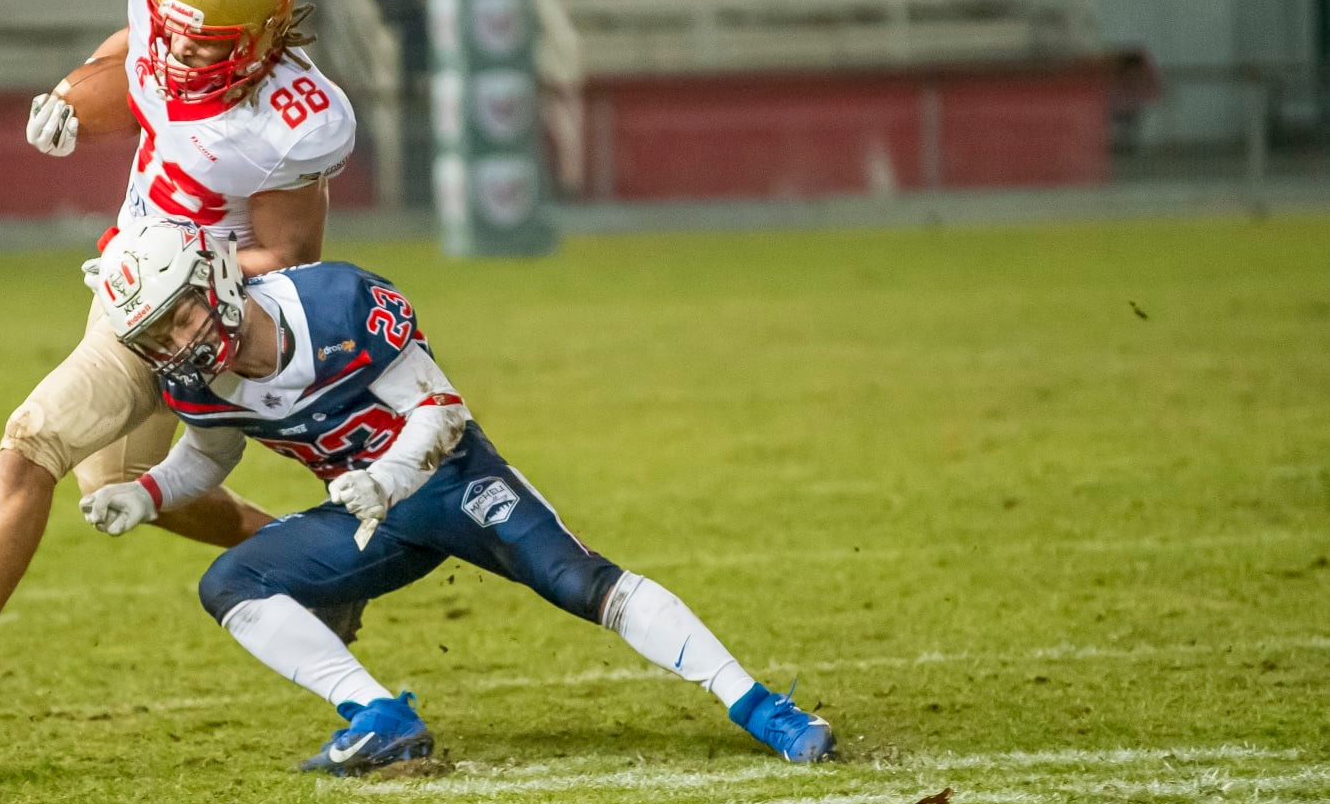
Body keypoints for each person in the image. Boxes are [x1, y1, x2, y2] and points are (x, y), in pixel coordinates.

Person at [78, 222, 838, 773]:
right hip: (370, 512)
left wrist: (385, 478)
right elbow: (211, 451)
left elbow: (438, 412)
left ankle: (759, 703)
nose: (173, 347)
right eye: (154, 337)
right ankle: (379, 717)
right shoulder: (194, 383)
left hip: (447, 478)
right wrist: (148, 492)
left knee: (582, 581)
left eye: (176, 318)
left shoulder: (339, 302)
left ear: (214, 278)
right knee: (230, 580)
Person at [0, 0, 358, 738]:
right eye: (178, 31)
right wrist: (69, 95)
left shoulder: (289, 120)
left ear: (265, 36)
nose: (180, 54)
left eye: (208, 44)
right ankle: (323, 564)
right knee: (129, 491)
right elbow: (131, 54)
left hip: (198, 319)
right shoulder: (168, 14)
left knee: (31, 445)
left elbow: (292, 253)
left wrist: (198, 269)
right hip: (133, 289)